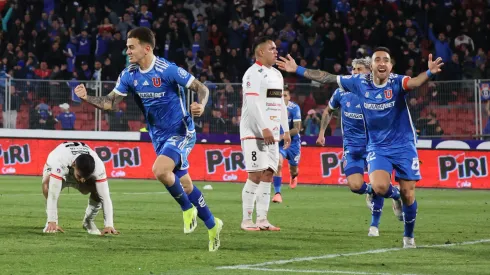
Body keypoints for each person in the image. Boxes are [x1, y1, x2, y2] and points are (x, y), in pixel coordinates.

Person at [74, 27, 223, 252]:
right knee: (185, 184)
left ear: (147, 48)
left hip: (181, 131)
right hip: (159, 137)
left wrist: (200, 105)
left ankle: (186, 209)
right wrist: (87, 98)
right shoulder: (129, 74)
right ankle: (213, 225)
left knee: (160, 170)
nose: (127, 51)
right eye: (127, 47)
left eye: (131, 47)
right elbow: (110, 103)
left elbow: (201, 88)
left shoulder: (168, 70)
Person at [278, 47, 444, 248]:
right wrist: (297, 69)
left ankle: (408, 236)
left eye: (386, 60)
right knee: (379, 187)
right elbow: (327, 77)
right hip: (376, 146)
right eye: (377, 60)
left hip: (403, 145)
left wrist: (428, 73)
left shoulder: (397, 82)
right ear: (372, 66)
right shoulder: (357, 84)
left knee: (408, 194)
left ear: (391, 66)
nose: (381, 63)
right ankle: (390, 199)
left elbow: (415, 82)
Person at [317, 57, 392, 237]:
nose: (355, 72)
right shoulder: (341, 92)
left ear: (369, 71)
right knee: (355, 185)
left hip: (374, 146)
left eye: (359, 69)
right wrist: (321, 133)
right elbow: (328, 111)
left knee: (378, 185)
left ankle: (374, 225)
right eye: (354, 69)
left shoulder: (378, 92)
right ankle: (384, 193)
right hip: (352, 147)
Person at [240, 36, 291, 231]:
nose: (276, 51)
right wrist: (264, 127)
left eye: (276, 48)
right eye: (272, 48)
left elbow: (280, 105)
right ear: (260, 52)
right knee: (255, 174)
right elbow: (252, 104)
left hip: (272, 132)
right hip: (254, 131)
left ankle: (262, 220)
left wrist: (285, 130)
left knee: (269, 174)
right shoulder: (253, 74)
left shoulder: (277, 75)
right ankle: (246, 220)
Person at [42, 141, 118, 236]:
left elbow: (105, 197)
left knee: (98, 191)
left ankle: (88, 221)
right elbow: (53, 194)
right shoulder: (60, 160)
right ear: (74, 164)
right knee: (48, 187)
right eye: (80, 176)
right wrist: (52, 220)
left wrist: (109, 225)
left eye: (85, 177)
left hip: (73, 168)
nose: (82, 180)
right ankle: (51, 224)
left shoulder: (98, 166)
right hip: (58, 167)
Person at [272, 88, 302, 203]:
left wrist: (284, 135)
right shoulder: (272, 108)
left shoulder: (294, 108)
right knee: (278, 164)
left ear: (289, 97)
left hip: (293, 143)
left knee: (293, 169)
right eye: (280, 95)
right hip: (279, 144)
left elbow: (297, 128)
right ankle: (277, 193)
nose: (282, 97)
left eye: (285, 95)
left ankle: (294, 176)